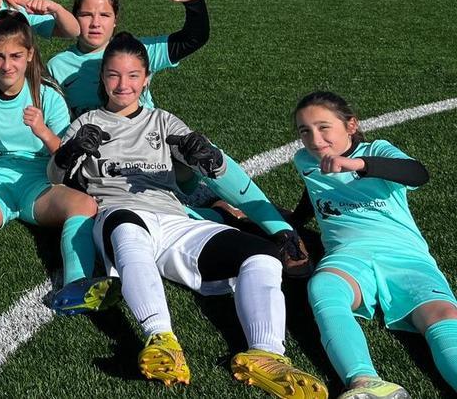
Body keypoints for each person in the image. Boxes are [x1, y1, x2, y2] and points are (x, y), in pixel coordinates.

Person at [49, 33, 325, 394]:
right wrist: (69, 153)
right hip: (119, 215)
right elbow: (53, 177)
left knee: (262, 256)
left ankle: (266, 354)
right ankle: (161, 338)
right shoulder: (86, 123)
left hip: (175, 221)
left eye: (133, 76)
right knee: (127, 228)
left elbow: (217, 169)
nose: (123, 84)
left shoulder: (163, 121)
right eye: (114, 75)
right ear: (103, 77)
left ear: (146, 79)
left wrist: (206, 158)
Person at [45, 0, 309, 273]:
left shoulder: (137, 51)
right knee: (157, 215)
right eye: (85, 14)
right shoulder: (59, 66)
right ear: (74, 17)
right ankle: (221, 216)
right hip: (107, 166)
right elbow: (56, 121)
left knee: (206, 154)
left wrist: (193, 2)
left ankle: (282, 232)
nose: (95, 23)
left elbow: (193, 38)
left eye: (104, 15)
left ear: (116, 19)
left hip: (156, 157)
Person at [0, 10, 112, 313]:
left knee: (84, 206)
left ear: (30, 54)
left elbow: (65, 157)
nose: (6, 65)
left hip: (38, 180)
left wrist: (42, 131)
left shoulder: (48, 96)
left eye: (15, 56)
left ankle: (76, 285)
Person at [293, 91, 457, 397]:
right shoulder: (304, 160)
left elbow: (418, 174)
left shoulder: (377, 150)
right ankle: (365, 382)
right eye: (305, 131)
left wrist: (355, 164)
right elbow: (314, 193)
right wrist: (292, 224)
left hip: (405, 256)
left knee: (443, 317)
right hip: (347, 255)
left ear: (351, 125)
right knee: (324, 287)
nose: (314, 139)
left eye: (323, 126)